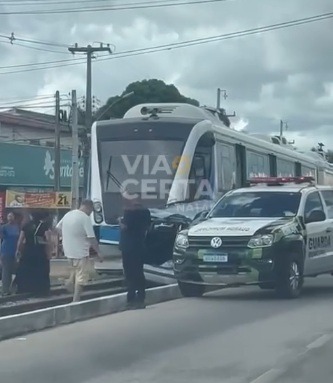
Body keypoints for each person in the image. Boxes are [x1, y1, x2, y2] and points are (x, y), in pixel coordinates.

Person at [56, 200, 103, 302]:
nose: (90, 214)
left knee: (74, 272)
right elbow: (91, 238)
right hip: (81, 252)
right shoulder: (84, 218)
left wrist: (68, 237)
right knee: (81, 278)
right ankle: (75, 300)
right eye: (91, 211)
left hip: (68, 251)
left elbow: (58, 228)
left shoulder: (68, 214)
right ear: (89, 208)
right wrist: (98, 252)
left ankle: (68, 283)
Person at [119, 193, 151, 309]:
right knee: (138, 271)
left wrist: (119, 221)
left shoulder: (129, 212)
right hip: (140, 245)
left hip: (128, 247)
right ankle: (141, 297)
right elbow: (148, 226)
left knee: (129, 273)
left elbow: (125, 227)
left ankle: (131, 298)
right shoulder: (146, 211)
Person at [14, 210, 52, 296]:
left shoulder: (26, 226)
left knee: (26, 270)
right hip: (40, 251)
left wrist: (18, 250)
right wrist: (49, 252)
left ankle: (25, 288)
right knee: (40, 270)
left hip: (28, 250)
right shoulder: (44, 226)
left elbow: (20, 240)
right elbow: (48, 240)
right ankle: (40, 290)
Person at [0, 212, 21, 295]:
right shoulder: (4, 227)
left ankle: (15, 287)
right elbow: (2, 237)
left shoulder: (18, 227)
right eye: (9, 216)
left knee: (18, 270)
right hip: (6, 250)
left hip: (16, 250)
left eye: (11, 216)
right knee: (6, 271)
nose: (10, 217)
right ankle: (5, 290)